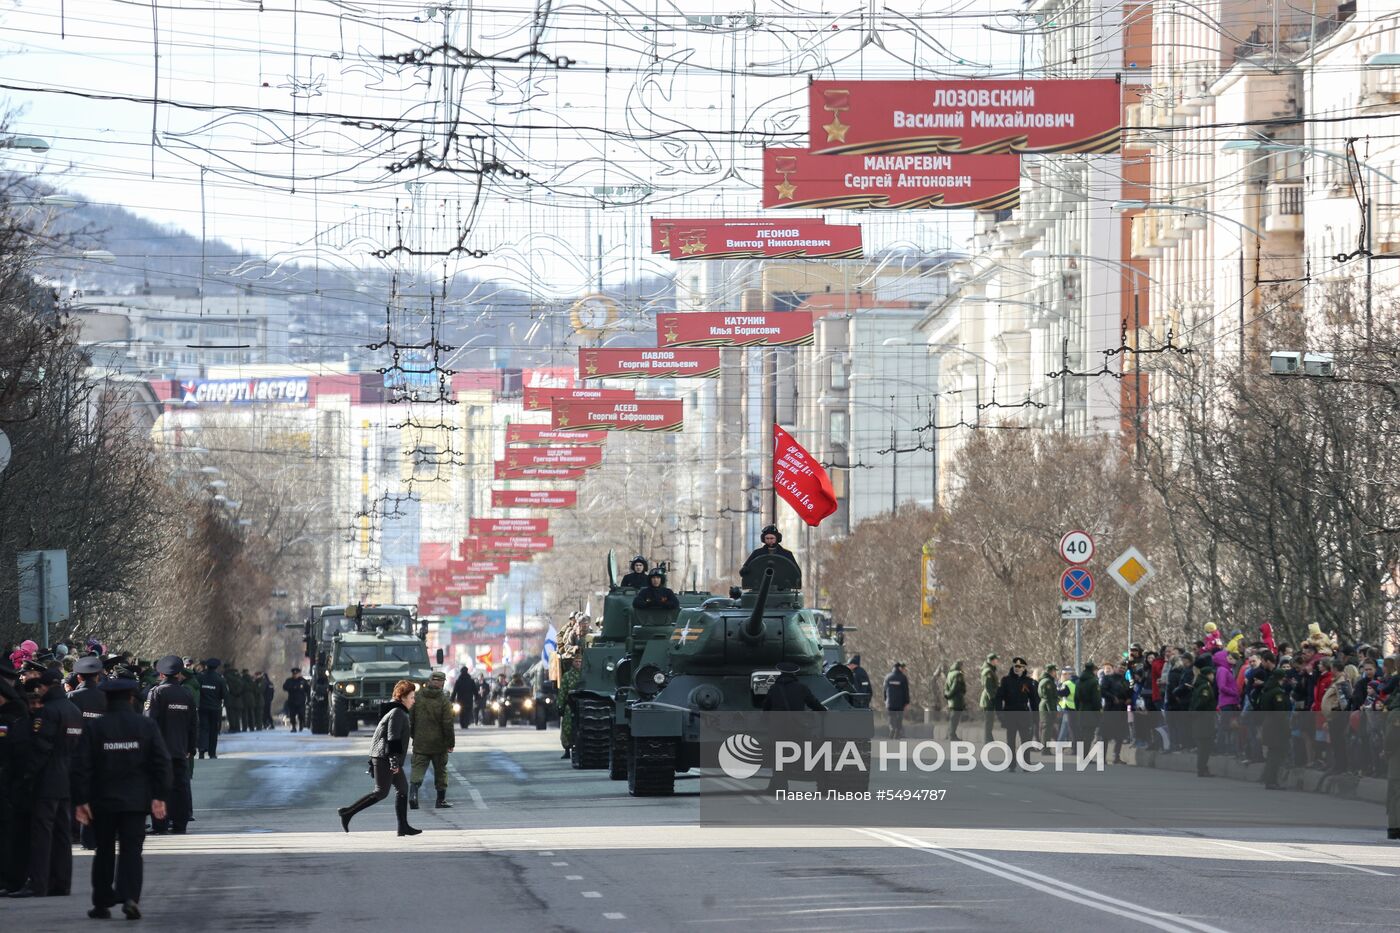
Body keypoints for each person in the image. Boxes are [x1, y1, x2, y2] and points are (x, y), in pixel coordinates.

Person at [72, 675, 173, 920]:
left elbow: (82, 766)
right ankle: (130, 897)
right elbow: (162, 762)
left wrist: (81, 800)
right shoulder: (145, 726)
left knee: (104, 849)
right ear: (130, 698)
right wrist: (160, 795)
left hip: (102, 801)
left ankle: (102, 902)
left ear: (106, 698)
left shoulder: (96, 727)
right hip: (136, 802)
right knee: (131, 850)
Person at [8, 668, 82, 898]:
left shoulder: (47, 713)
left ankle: (38, 883)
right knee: (62, 834)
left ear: (46, 686)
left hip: (46, 780)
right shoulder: (73, 710)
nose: (38, 690)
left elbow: (41, 748)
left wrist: (27, 775)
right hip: (66, 778)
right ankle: (62, 882)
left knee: (42, 834)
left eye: (40, 686)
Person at [338, 680, 421, 836]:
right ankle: (347, 812)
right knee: (381, 792)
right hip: (385, 757)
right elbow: (393, 738)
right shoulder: (397, 712)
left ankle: (403, 827)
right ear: (402, 697)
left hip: (386, 756)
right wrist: (394, 761)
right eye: (411, 697)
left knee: (403, 789)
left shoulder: (399, 711)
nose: (413, 700)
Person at [145, 656, 198, 834]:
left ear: (161, 674)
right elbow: (193, 724)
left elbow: (149, 722)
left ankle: (160, 824)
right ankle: (180, 824)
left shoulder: (156, 693)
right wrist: (191, 748)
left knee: (160, 786)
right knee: (180, 787)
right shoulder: (187, 694)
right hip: (181, 749)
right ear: (179, 674)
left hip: (161, 751)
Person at [409, 671, 456, 810]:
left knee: (417, 770)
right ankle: (440, 801)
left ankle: (413, 796)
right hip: (439, 744)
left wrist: (414, 736)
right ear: (442, 683)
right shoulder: (444, 700)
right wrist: (450, 743)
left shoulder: (417, 697)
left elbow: (411, 720)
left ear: (429, 681)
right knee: (441, 771)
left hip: (420, 742)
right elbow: (448, 723)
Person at [1255, 651, 1290, 789]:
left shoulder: (1266, 690)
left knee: (1272, 755)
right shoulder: (1277, 693)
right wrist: (1286, 730)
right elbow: (1280, 713)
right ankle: (1272, 781)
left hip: (1269, 724)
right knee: (1275, 755)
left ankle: (1269, 779)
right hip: (1277, 727)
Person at [994, 658, 1036, 771]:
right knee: (1010, 740)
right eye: (1015, 666)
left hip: (1023, 713)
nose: (1017, 669)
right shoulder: (1006, 680)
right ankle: (1011, 764)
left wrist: (1036, 715)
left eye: (1020, 667)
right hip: (1010, 713)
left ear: (1024, 668)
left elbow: (1033, 699)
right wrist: (1000, 714)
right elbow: (998, 698)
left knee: (1025, 740)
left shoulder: (1028, 681)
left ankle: (1026, 763)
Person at [1189, 656, 1218, 777]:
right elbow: (1202, 703)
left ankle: (1203, 768)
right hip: (1204, 720)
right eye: (1211, 674)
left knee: (1204, 746)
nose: (1213, 676)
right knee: (1204, 746)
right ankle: (1202, 768)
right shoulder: (1205, 687)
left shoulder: (1201, 685)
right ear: (1207, 675)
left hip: (1202, 720)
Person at [1100, 660, 1132, 764]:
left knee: (1120, 735)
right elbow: (1102, 691)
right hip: (1110, 709)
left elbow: (1128, 693)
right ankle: (1102, 757)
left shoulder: (1125, 681)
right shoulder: (1107, 678)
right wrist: (1112, 697)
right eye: (1120, 667)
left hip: (1121, 709)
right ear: (1115, 668)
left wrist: (1128, 698)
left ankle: (1116, 756)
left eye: (1124, 668)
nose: (1122, 669)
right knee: (1106, 735)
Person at [196, 659, 227, 759]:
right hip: (215, 708)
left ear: (206, 666)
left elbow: (197, 691)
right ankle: (212, 753)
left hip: (203, 707)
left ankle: (201, 751)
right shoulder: (220, 679)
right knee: (213, 730)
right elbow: (224, 694)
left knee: (203, 728)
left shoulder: (200, 677)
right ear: (216, 667)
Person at [558, 653, 582, 760]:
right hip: (570, 705)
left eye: (580, 662)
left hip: (583, 704)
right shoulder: (567, 676)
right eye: (576, 661)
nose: (578, 664)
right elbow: (562, 691)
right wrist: (560, 706)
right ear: (572, 663)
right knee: (567, 727)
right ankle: (567, 749)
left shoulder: (585, 675)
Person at [882, 662, 910, 740]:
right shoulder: (903, 677)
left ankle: (892, 728)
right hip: (900, 703)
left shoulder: (887, 677)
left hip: (890, 702)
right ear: (899, 668)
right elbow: (906, 691)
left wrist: (885, 700)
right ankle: (897, 731)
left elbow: (884, 690)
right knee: (899, 717)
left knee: (891, 717)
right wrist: (907, 702)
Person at [979, 654, 999, 742]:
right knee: (988, 721)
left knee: (990, 721)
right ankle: (987, 740)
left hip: (989, 698)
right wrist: (992, 697)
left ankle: (989, 739)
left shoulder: (991, 670)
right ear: (991, 660)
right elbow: (988, 686)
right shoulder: (988, 672)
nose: (997, 661)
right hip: (988, 699)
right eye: (996, 659)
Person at [944, 660, 966, 740]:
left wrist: (947, 695)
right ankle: (952, 735)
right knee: (955, 718)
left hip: (951, 700)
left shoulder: (950, 674)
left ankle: (949, 734)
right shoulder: (958, 674)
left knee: (952, 718)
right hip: (957, 699)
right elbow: (955, 686)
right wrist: (950, 694)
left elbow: (946, 686)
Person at [1037, 664, 1059, 746]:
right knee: (1046, 728)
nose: (1055, 673)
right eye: (1054, 671)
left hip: (1045, 705)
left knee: (1047, 727)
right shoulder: (1048, 682)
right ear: (1051, 671)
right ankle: (1045, 749)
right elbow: (1048, 698)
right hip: (1047, 707)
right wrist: (1052, 711)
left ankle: (1045, 747)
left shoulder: (1045, 680)